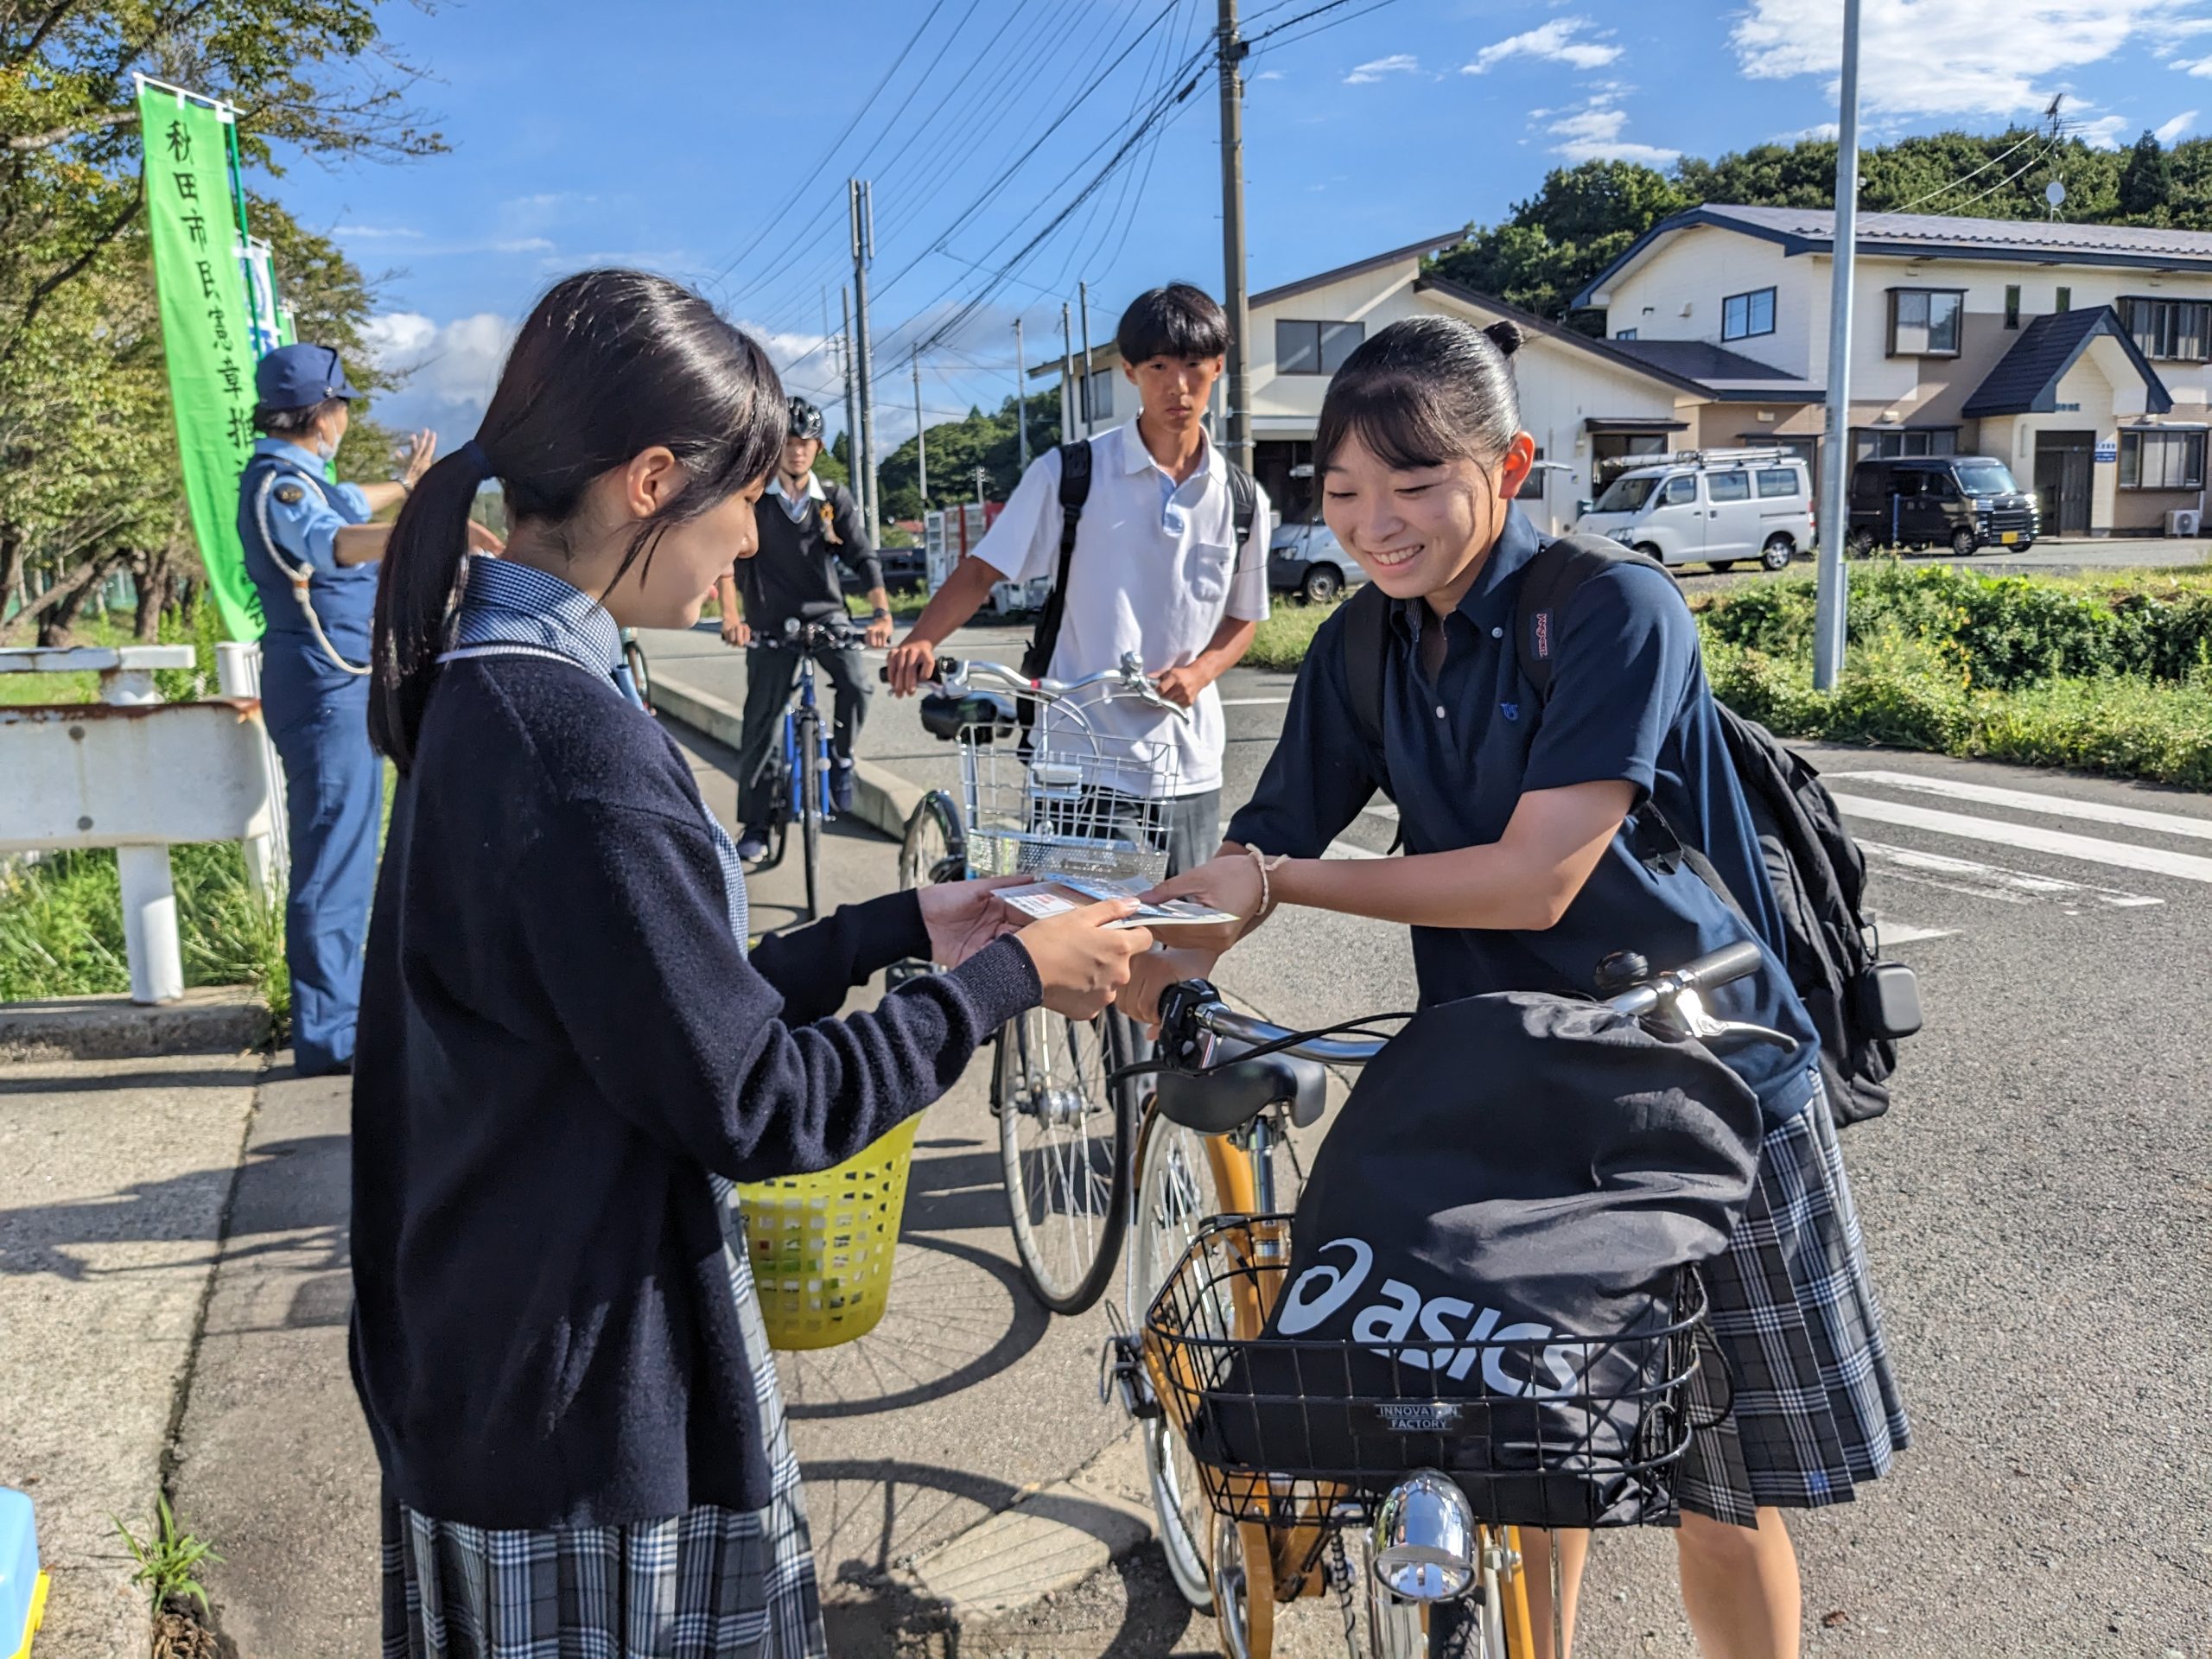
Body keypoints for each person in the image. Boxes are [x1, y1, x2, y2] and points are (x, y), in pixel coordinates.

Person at [351, 268, 1150, 1659]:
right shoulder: (569, 737)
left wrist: (905, 929)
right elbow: (759, 1101)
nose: (750, 535)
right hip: (575, 1404)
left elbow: (649, 1009)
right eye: (744, 497)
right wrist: (1011, 984)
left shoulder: (500, 683)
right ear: (650, 480)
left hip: (496, 1348)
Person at [1137, 316, 1908, 1659]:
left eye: (1418, 484)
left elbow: (1534, 879)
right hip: (1510, 1094)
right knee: (1521, 1461)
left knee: (1717, 1494)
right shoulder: (1364, 648)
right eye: (1343, 493)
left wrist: (1281, 889)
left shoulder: (1614, 610)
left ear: (1513, 462)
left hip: (1699, 1088)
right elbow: (1266, 846)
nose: (1378, 526)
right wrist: (1151, 962)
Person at [885, 282, 1271, 876]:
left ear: (1219, 366)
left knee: (1180, 942)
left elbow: (1244, 617)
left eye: (1194, 366)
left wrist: (1201, 672)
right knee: (1081, 943)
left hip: (1188, 764)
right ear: (1129, 373)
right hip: (1078, 759)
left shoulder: (1241, 497)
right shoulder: (1072, 475)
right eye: (1159, 367)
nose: (1178, 386)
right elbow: (985, 567)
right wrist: (923, 637)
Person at [237, 341, 470, 1077]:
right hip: (322, 689)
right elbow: (332, 540)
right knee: (334, 857)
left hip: (340, 686)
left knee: (352, 848)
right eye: (341, 406)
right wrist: (434, 531)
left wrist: (404, 486)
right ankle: (330, 1035)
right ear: (324, 413)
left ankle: (343, 1016)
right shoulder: (280, 487)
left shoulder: (300, 476)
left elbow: (344, 504)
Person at [717, 397, 890, 858]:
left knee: (856, 684)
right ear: (776, 448)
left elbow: (863, 557)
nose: (796, 452)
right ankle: (755, 826)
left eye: (805, 443)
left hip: (828, 617)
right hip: (771, 622)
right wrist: (733, 618)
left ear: (816, 448)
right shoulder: (755, 499)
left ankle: (843, 759)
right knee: (763, 721)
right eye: (788, 443)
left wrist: (881, 614)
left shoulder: (832, 499)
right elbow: (729, 561)